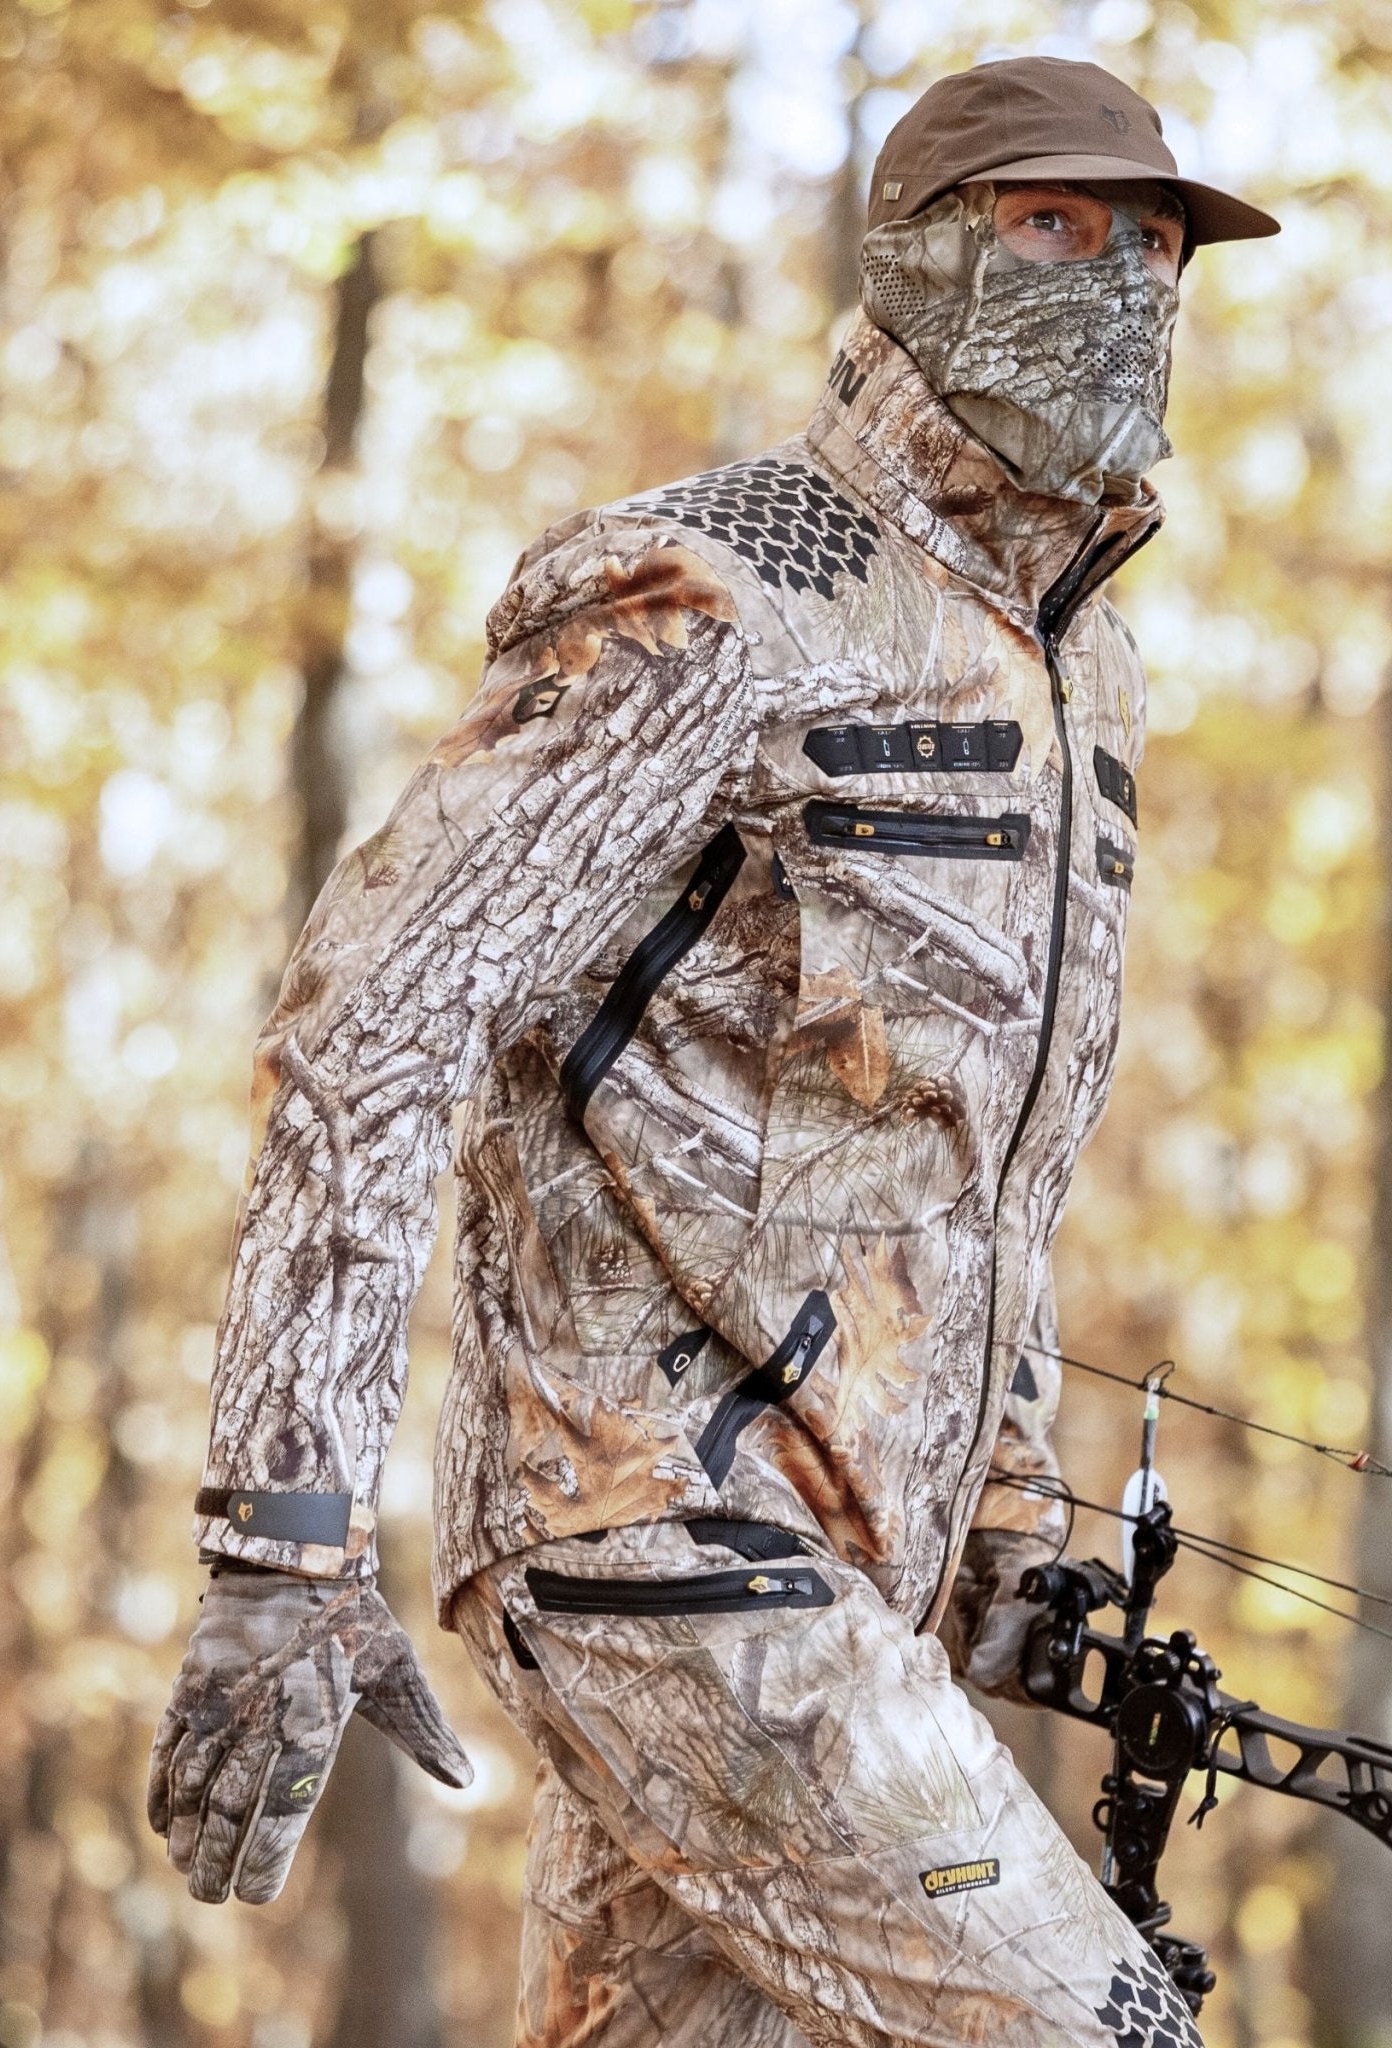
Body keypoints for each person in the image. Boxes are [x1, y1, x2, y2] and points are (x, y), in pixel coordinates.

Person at [146, 53, 1277, 2048]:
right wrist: (282, 1538)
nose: (1124, 280)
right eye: (1056, 228)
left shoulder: (1079, 664)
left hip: (851, 1593)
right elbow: (372, 1022)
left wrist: (1002, 1529)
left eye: (1158, 245)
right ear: (920, 259)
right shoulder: (716, 586)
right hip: (653, 1543)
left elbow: (979, 1173)